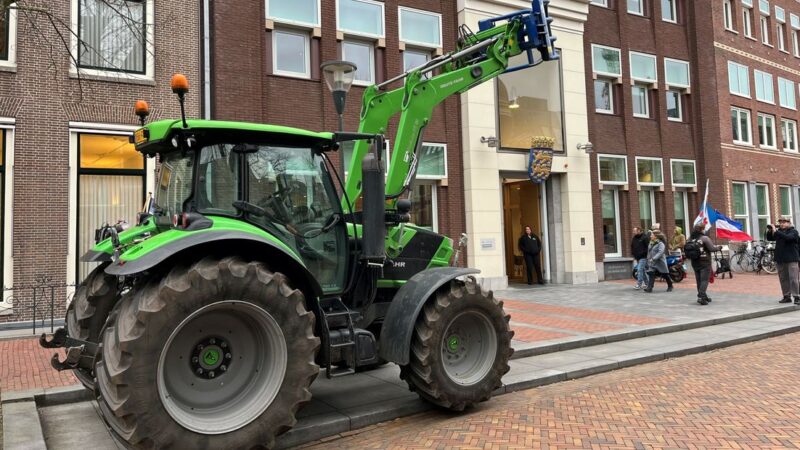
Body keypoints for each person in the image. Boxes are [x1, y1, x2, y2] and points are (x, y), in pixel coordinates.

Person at [687, 224, 722, 305]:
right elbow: (712, 249)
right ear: (701, 230)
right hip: (705, 262)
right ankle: (701, 297)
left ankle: (704, 296)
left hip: (694, 262)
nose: (704, 230)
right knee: (704, 280)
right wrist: (719, 248)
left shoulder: (690, 239)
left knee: (698, 280)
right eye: (704, 229)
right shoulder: (704, 238)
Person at [774, 218, 799, 304]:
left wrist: (777, 231)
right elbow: (770, 238)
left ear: (789, 223)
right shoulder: (779, 232)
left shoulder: (793, 231)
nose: (782, 224)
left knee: (793, 279)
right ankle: (786, 296)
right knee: (783, 278)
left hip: (792, 259)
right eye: (780, 222)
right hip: (780, 259)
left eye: (784, 222)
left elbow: (789, 238)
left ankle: (796, 297)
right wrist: (770, 230)